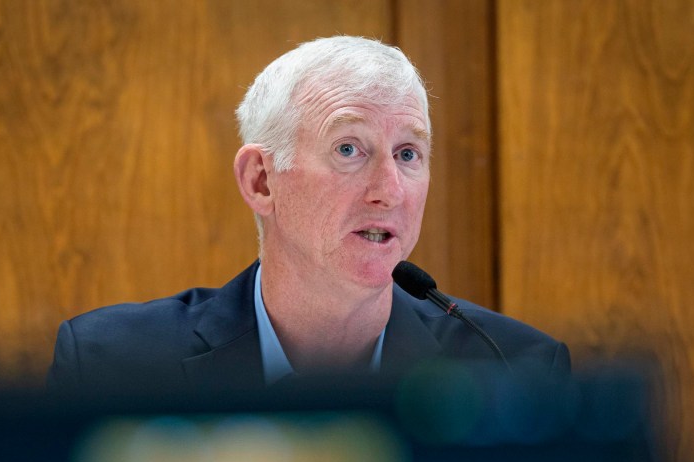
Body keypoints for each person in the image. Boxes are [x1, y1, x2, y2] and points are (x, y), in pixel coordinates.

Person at [47, 36, 570, 399]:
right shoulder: (110, 366)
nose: (388, 191)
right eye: (348, 149)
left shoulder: (513, 368)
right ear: (261, 181)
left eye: (408, 153)